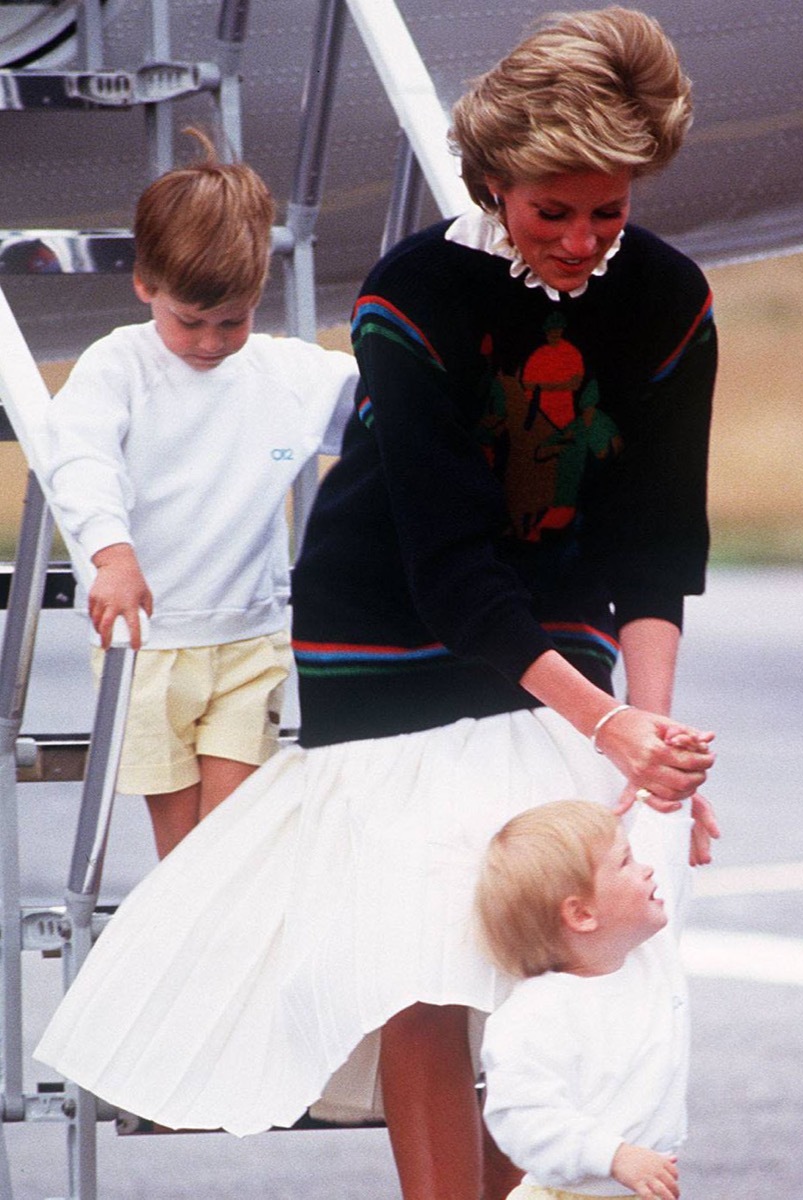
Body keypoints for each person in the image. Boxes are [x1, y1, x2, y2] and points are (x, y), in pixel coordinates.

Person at [35, 10, 718, 1200]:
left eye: (606, 210)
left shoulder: (666, 300)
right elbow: (450, 561)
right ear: (493, 180)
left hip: (553, 624)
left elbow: (655, 538)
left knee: (551, 945)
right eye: (549, 211)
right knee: (431, 953)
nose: (580, 241)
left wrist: (649, 749)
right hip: (389, 631)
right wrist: (601, 723)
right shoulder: (413, 294)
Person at [42, 129, 358, 858]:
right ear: (145, 284)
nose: (211, 342)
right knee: (183, 851)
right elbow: (81, 459)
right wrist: (112, 556)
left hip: (249, 636)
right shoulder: (117, 366)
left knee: (233, 840)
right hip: (150, 641)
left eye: (233, 321)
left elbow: (386, 410)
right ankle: (190, 960)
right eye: (190, 321)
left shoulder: (285, 372)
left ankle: (223, 954)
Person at [475, 798, 698, 1200]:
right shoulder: (533, 1016)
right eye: (626, 861)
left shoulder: (652, 954)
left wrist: (670, 796)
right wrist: (613, 1155)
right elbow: (524, 1120)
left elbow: (665, 854)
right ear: (581, 914)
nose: (646, 867)